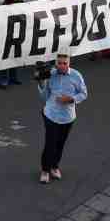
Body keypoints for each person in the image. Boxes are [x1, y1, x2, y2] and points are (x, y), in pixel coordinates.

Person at [38, 53, 87, 184]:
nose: (62, 66)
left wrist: (71, 99)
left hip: (68, 117)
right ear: (56, 63)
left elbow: (84, 94)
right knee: (50, 143)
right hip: (51, 115)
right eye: (59, 63)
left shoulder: (76, 76)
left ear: (69, 63)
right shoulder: (51, 75)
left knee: (60, 143)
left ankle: (54, 167)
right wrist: (42, 83)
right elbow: (44, 97)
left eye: (65, 63)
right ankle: (45, 170)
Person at [0, 0, 25, 88]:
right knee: (5, 58)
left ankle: (13, 78)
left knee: (15, 57)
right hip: (6, 36)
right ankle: (2, 80)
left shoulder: (24, 6)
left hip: (17, 36)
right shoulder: (4, 6)